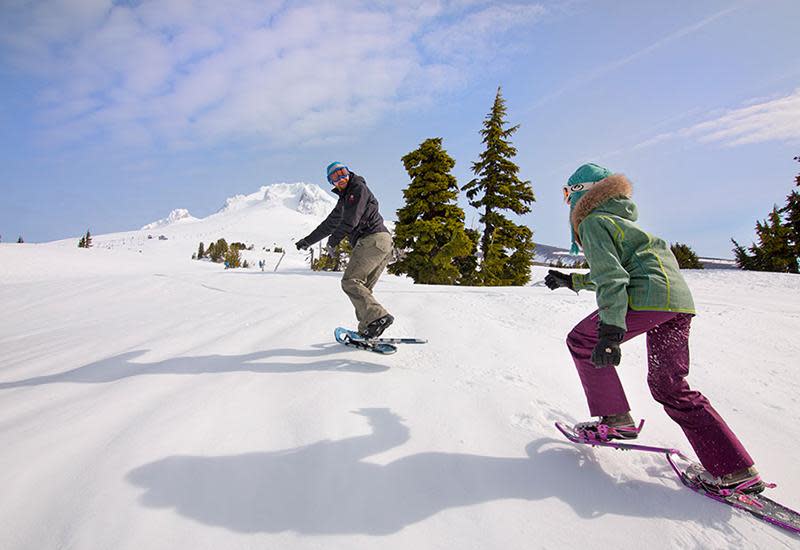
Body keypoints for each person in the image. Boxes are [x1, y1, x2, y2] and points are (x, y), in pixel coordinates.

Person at [545, 163, 762, 494]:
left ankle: (615, 419)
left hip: (648, 298)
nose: (566, 203)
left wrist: (610, 332)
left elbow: (612, 278)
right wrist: (572, 280)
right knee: (669, 383)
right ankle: (735, 469)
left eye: (567, 194)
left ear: (583, 194)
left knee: (581, 340)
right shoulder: (622, 223)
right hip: (677, 303)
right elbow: (621, 269)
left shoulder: (592, 221)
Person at [296, 162, 394, 338]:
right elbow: (329, 224)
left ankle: (379, 317)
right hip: (383, 244)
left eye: (342, 172)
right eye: (335, 176)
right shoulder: (345, 199)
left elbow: (351, 220)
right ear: (331, 182)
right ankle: (367, 329)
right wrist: (307, 241)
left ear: (349, 172)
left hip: (372, 239)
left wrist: (333, 242)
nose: (340, 178)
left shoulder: (357, 189)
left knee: (350, 281)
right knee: (362, 289)